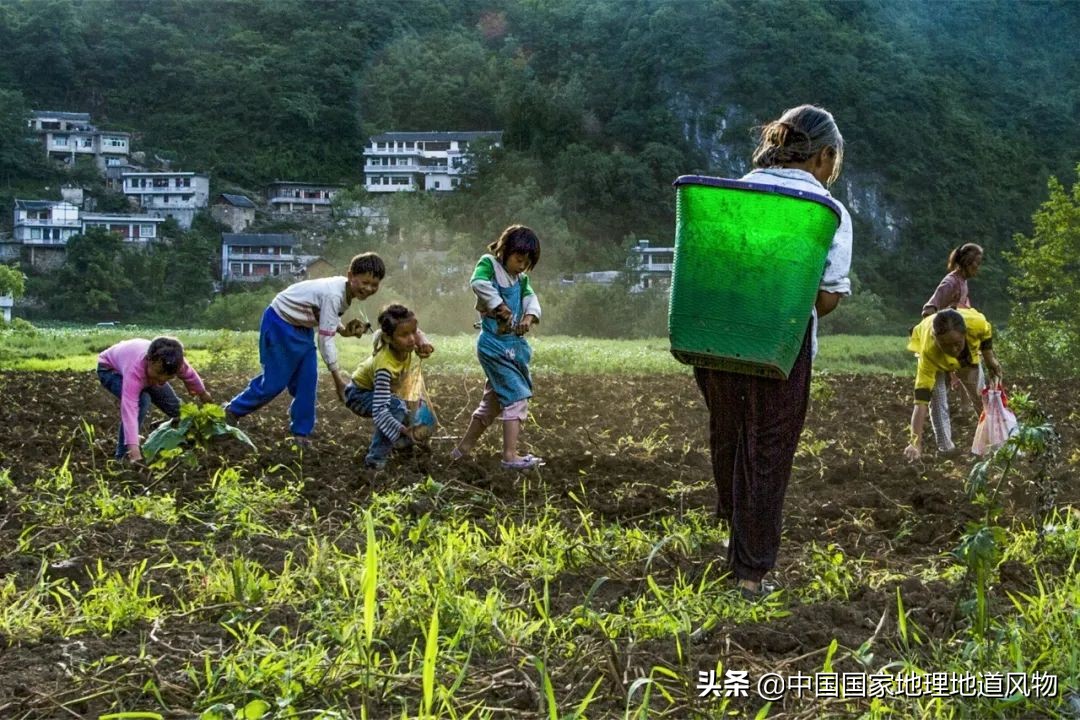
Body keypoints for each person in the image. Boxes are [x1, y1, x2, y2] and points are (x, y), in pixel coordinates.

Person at [692, 105, 851, 599]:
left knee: (729, 435)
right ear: (824, 156)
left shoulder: (735, 192)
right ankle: (750, 574)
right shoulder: (826, 210)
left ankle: (732, 535)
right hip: (780, 346)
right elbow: (826, 298)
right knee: (767, 451)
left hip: (718, 337)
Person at [224, 252, 384, 444]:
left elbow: (325, 315)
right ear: (350, 276)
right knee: (274, 383)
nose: (368, 288)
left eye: (374, 285)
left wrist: (343, 330)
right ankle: (232, 411)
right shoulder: (334, 294)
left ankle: (301, 434)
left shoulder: (344, 292)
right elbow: (325, 341)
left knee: (307, 381)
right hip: (280, 322)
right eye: (365, 282)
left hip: (302, 328)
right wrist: (338, 381)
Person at [452, 224, 543, 470]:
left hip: (512, 347)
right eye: (518, 259)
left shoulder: (521, 280)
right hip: (494, 345)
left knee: (492, 403)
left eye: (527, 262)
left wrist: (527, 319)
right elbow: (478, 282)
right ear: (504, 250)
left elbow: (531, 300)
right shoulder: (489, 265)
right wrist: (499, 305)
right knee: (517, 396)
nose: (522, 266)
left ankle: (461, 451)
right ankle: (510, 456)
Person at [903, 308, 1003, 461]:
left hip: (967, 357)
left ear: (965, 334)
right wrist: (915, 442)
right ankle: (946, 448)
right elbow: (921, 401)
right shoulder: (928, 352)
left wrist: (989, 358)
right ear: (936, 339)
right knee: (937, 398)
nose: (953, 350)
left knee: (980, 395)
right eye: (946, 345)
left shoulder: (975, 324)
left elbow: (986, 331)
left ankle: (996, 443)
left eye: (957, 343)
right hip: (936, 358)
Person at [344, 304, 435, 470]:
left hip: (380, 391)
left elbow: (416, 333)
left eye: (413, 332)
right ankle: (375, 460)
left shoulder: (404, 345)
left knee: (412, 405)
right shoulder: (384, 367)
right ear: (388, 338)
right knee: (396, 407)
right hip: (358, 394)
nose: (411, 339)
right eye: (404, 335)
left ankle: (403, 446)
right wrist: (402, 429)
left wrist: (424, 343)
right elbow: (380, 411)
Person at [97, 336, 212, 461]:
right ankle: (123, 455)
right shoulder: (134, 371)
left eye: (169, 376)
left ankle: (193, 438)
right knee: (142, 400)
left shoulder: (174, 363)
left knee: (176, 408)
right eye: (159, 373)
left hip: (144, 371)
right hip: (109, 369)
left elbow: (190, 376)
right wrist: (134, 452)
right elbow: (130, 411)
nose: (163, 379)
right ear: (149, 360)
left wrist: (203, 394)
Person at [921, 243, 984, 318]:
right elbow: (928, 310)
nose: (978, 268)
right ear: (967, 262)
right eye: (978, 263)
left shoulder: (963, 281)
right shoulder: (950, 282)